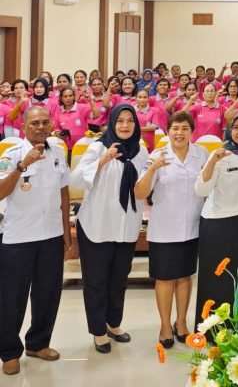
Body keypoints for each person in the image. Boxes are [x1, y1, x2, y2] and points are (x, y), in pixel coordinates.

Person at [69, 104, 149, 353]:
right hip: (97, 225)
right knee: (96, 281)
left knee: (118, 280)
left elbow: (144, 185)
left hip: (126, 226)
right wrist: (102, 161)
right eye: (120, 121)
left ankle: (113, 323)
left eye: (130, 121)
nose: (125, 126)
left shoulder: (140, 152)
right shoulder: (98, 147)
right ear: (112, 124)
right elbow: (75, 180)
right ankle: (98, 331)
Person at [0, 107, 70, 375]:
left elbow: (63, 194)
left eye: (45, 122)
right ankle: (8, 351)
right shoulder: (11, 154)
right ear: (24, 126)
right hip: (18, 237)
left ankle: (38, 343)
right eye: (34, 123)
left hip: (51, 236)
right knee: (12, 298)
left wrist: (66, 233)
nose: (40, 127)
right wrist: (22, 165)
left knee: (48, 295)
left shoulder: (59, 152)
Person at [133, 111, 208, 348]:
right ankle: (165, 325)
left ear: (191, 131)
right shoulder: (157, 156)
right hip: (164, 229)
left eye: (185, 128)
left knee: (185, 277)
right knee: (165, 278)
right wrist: (153, 169)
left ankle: (182, 323)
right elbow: (140, 192)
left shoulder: (201, 154)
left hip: (192, 226)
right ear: (168, 131)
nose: (180, 133)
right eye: (175, 128)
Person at [193, 111, 238, 332]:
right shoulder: (219, 154)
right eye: (236, 127)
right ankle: (212, 330)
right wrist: (212, 160)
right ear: (229, 130)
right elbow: (201, 189)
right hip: (217, 224)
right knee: (216, 279)